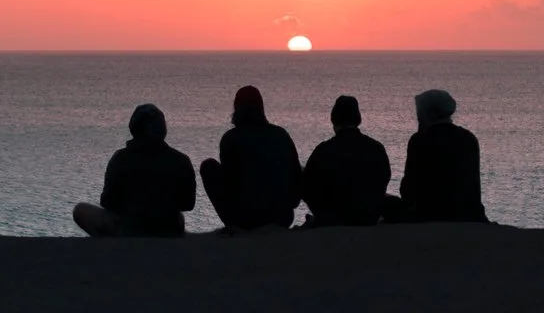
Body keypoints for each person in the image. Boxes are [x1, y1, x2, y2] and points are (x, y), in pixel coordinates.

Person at [73, 102, 196, 237]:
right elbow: (188, 204)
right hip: (168, 228)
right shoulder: (181, 160)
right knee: (179, 217)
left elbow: (108, 201)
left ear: (134, 128)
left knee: (80, 210)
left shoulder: (120, 158)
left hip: (129, 230)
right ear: (163, 130)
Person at [198, 83, 303, 232]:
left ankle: (233, 225)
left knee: (208, 166)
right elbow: (295, 177)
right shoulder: (281, 134)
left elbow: (230, 182)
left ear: (236, 108)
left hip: (244, 219)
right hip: (282, 217)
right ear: (261, 108)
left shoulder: (230, 138)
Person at [382, 87, 488, 223]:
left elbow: (408, 190)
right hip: (465, 213)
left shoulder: (420, 140)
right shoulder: (468, 138)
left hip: (428, 214)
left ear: (424, 114)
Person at [301, 94, 390, 227]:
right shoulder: (376, 148)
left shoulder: (323, 151)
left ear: (333, 120)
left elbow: (308, 188)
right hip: (368, 217)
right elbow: (384, 178)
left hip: (332, 219)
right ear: (358, 119)